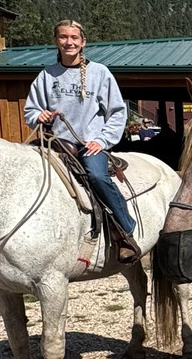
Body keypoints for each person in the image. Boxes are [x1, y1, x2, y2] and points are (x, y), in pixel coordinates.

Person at [25, 20, 141, 263]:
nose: (69, 42)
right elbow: (31, 111)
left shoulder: (100, 73)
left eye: (74, 38)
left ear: (83, 42)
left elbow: (118, 112)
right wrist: (39, 115)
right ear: (56, 41)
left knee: (97, 176)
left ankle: (125, 231)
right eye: (64, 37)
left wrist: (102, 140)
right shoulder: (46, 75)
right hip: (56, 142)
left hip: (90, 144)